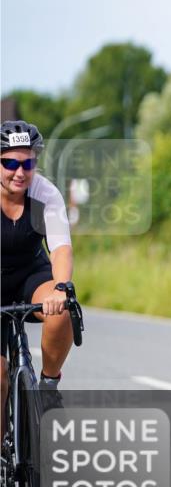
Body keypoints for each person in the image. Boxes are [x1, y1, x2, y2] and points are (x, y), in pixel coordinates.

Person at [1, 120, 75, 414]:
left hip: (31, 275)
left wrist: (60, 288)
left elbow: (60, 249)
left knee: (63, 310)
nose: (20, 172)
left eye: (28, 163)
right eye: (10, 163)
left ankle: (47, 386)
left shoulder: (45, 194)